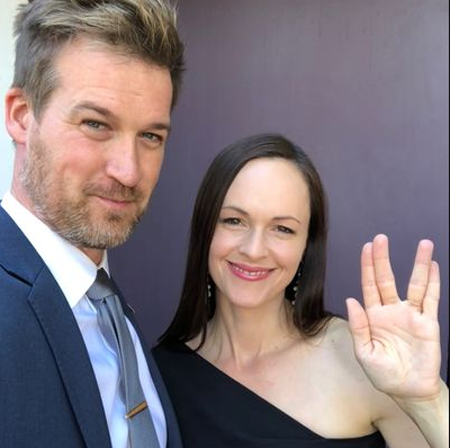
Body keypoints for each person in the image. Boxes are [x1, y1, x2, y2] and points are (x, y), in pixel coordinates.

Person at [153, 133, 449, 448]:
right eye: (234, 221)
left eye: (282, 229)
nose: (254, 250)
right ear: (206, 229)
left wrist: (427, 399)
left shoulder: (365, 359)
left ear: (306, 246)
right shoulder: (157, 377)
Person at [0, 0, 184, 447]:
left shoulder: (110, 307)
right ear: (22, 116)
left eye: (150, 136)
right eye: (96, 124)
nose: (129, 171)